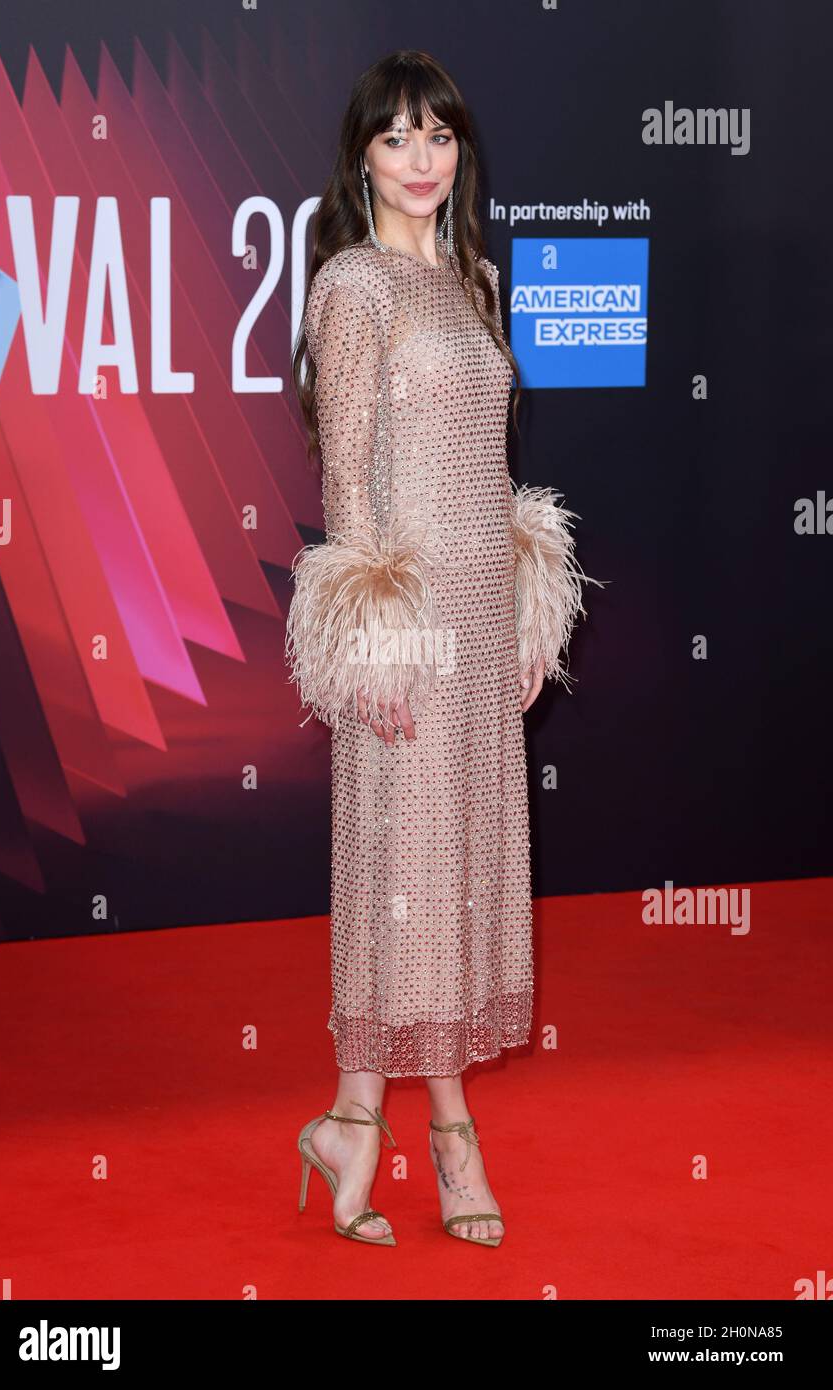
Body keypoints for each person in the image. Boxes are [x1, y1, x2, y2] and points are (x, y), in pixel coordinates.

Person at [286, 50, 593, 1247]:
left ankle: (352, 1126)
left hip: (475, 621)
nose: (424, 161)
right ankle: (450, 1137)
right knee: (402, 883)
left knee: (457, 879)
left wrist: (527, 607)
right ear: (363, 156)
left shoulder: (477, 277)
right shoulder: (352, 288)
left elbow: (496, 470)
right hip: (408, 627)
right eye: (400, 139)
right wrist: (380, 642)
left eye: (441, 138)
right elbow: (346, 481)